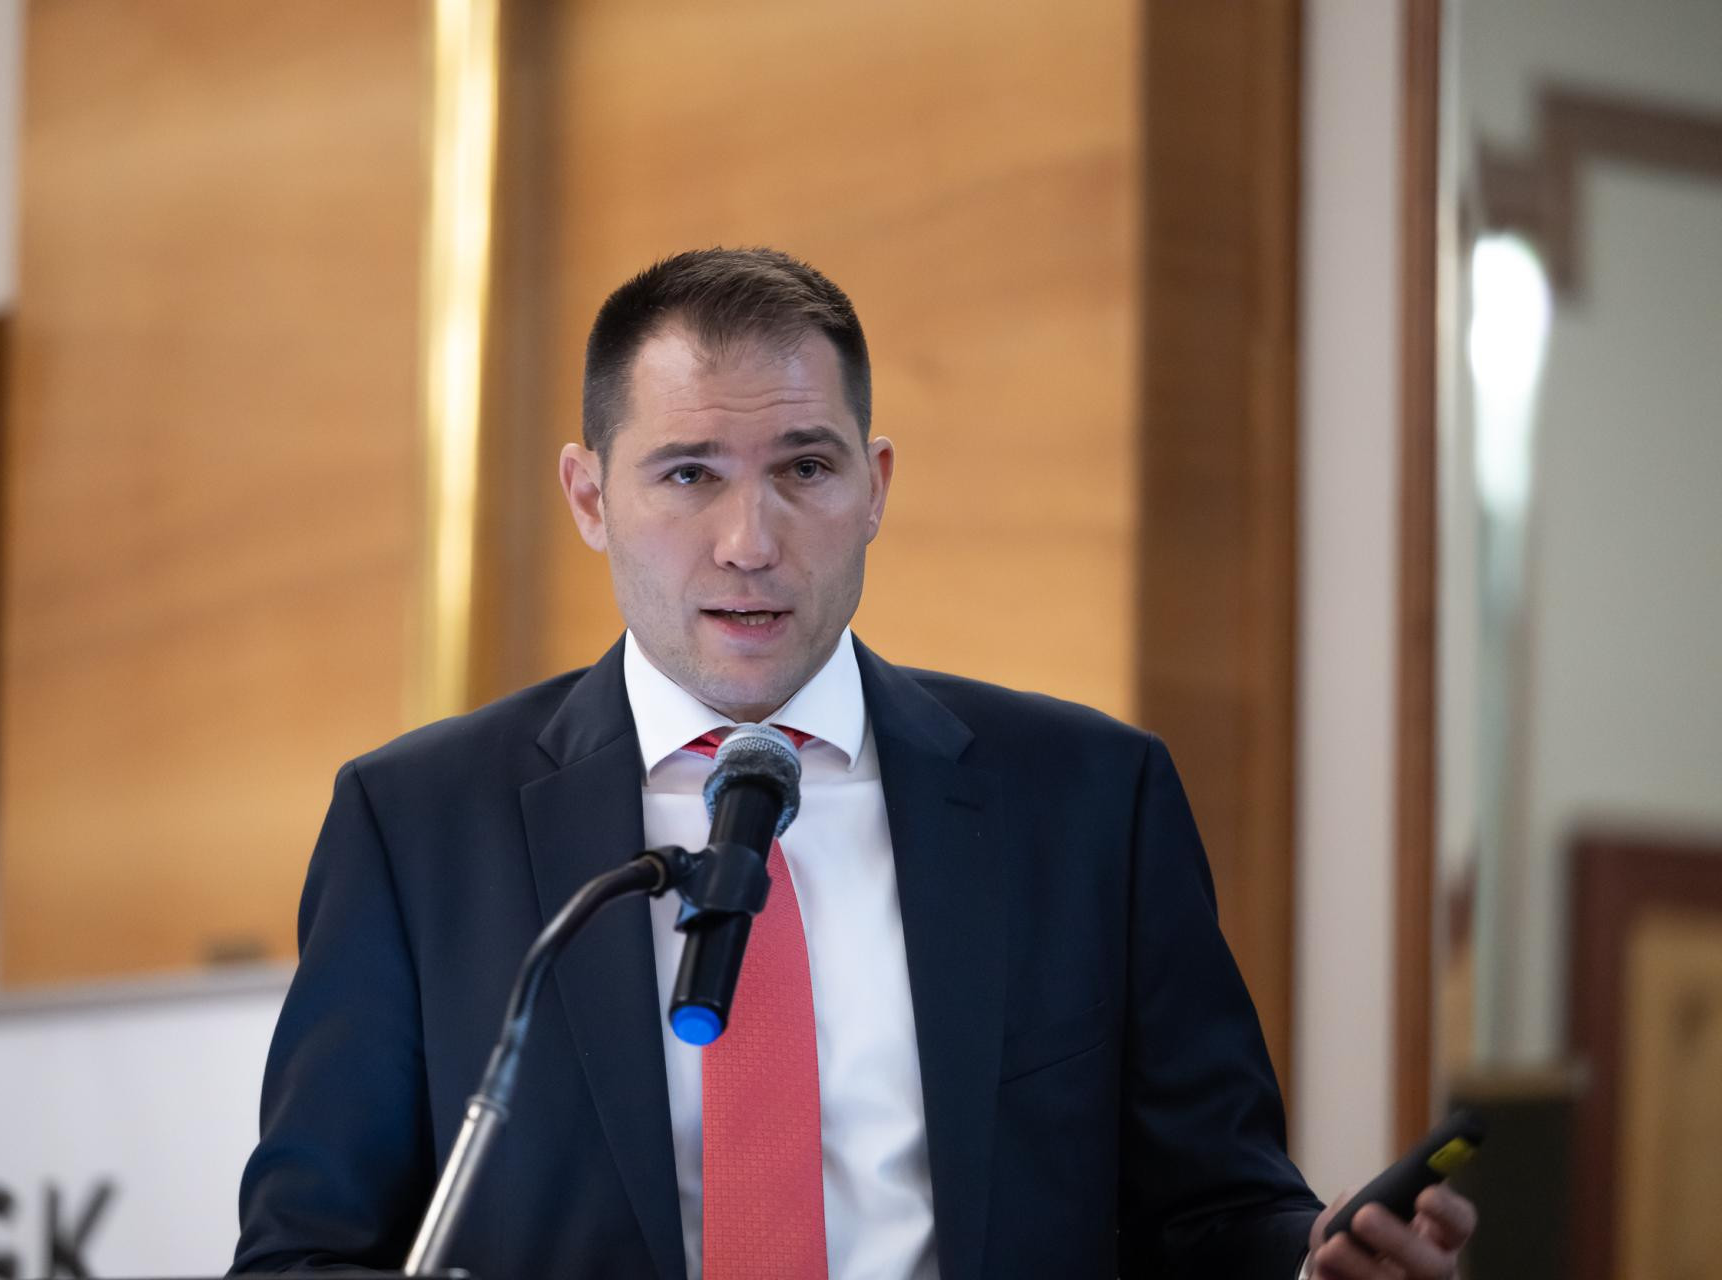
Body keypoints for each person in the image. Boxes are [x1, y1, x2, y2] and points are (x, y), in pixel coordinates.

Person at [232, 248, 1476, 1279]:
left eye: (805, 468)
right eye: (688, 473)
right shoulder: (418, 826)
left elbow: (1213, 1210)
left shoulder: (1091, 802)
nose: (750, 540)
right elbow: (303, 1251)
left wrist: (1315, 1264)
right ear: (590, 495)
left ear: (874, 486)